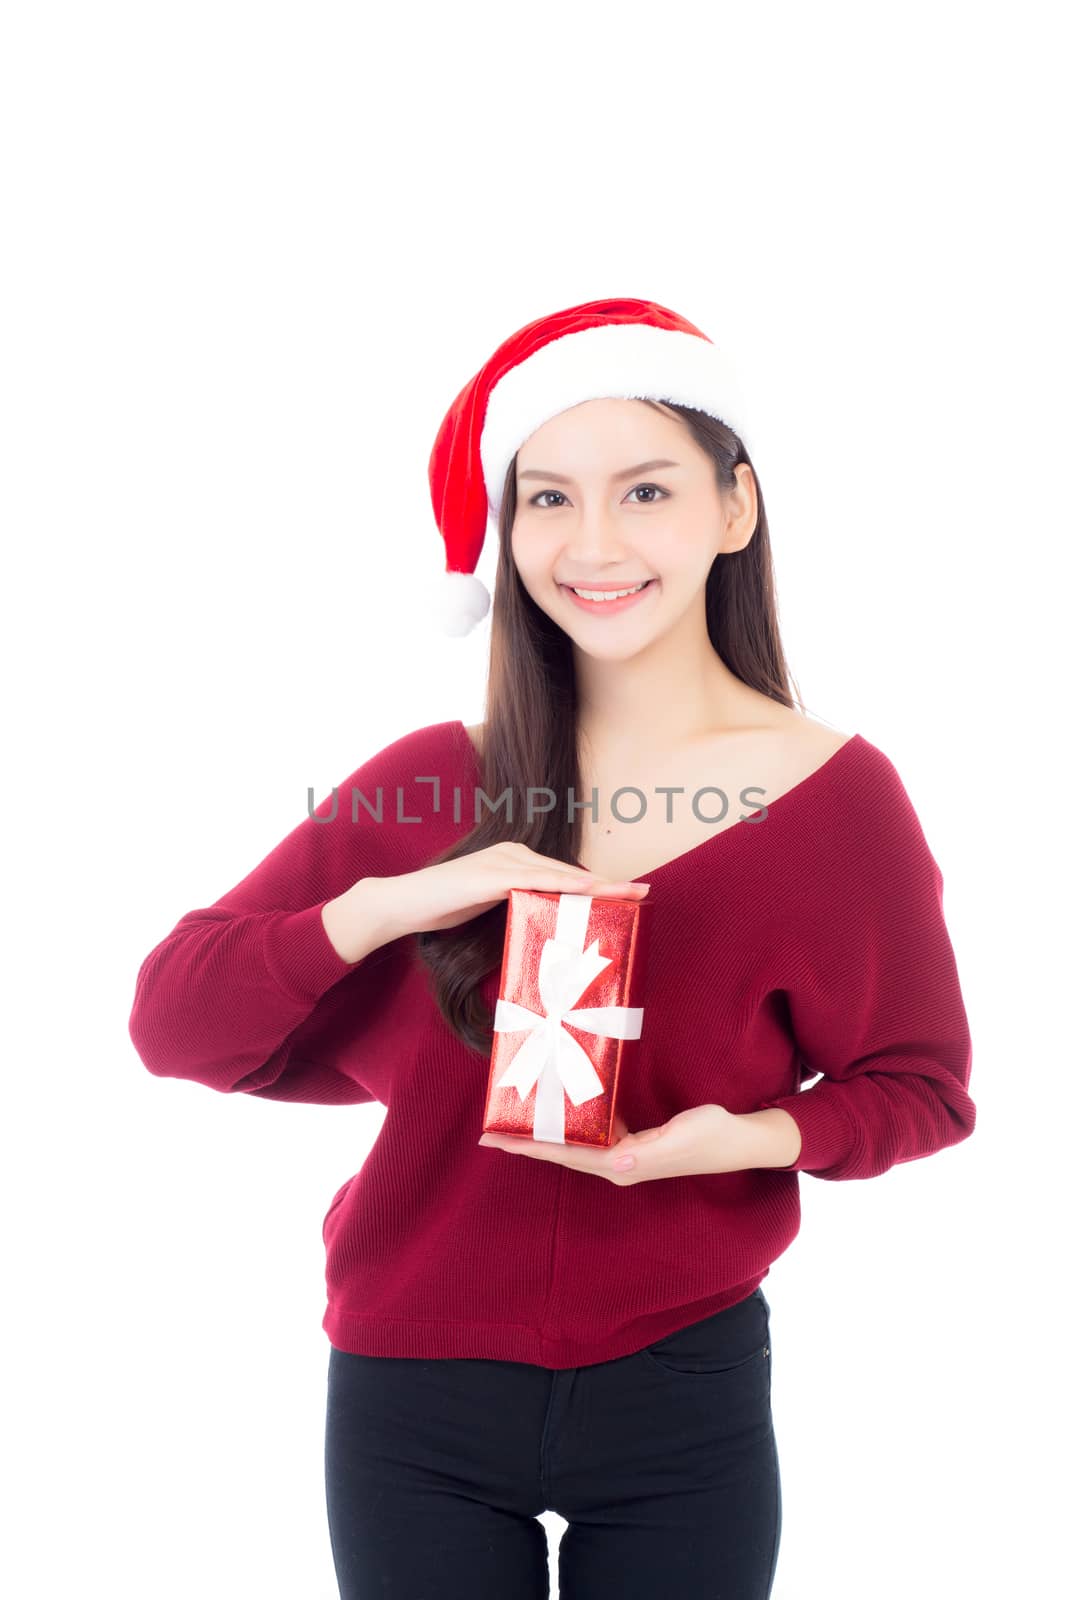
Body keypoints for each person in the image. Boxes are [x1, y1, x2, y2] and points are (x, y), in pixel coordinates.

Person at [128, 296, 977, 1600]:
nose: (592, 544)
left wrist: (742, 1137)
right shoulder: (431, 784)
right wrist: (400, 898)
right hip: (410, 1391)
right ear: (506, 528)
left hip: (682, 1379)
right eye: (547, 499)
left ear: (736, 509)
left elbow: (920, 1090)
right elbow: (172, 1022)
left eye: (645, 492)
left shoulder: (838, 801)